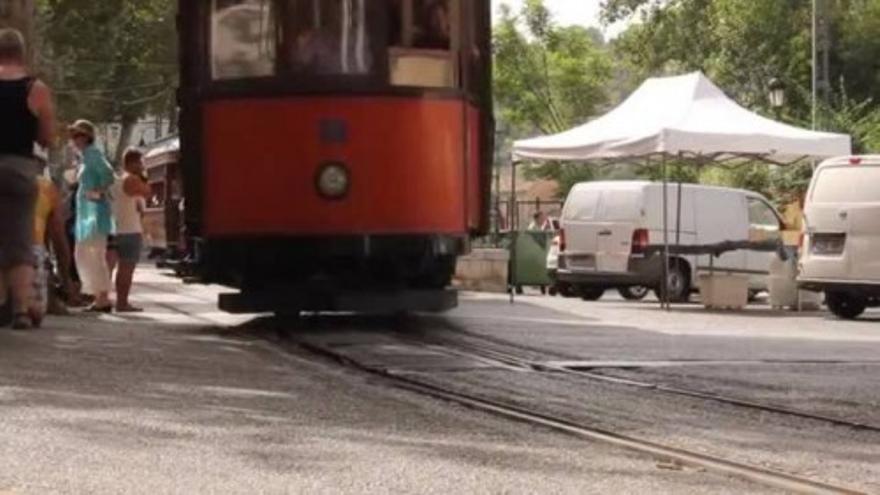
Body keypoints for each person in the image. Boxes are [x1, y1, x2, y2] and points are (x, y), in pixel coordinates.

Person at [0, 28, 56, 329]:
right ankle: (20, 310)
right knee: (19, 240)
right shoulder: (36, 88)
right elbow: (47, 136)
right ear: (23, 53)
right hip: (21, 168)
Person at [69, 119, 115, 313]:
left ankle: (102, 297)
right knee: (87, 254)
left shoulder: (93, 155)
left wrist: (98, 191)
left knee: (92, 254)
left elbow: (108, 174)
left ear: (86, 137)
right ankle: (99, 296)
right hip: (87, 213)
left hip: (94, 213)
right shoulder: (86, 157)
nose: (74, 140)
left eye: (77, 135)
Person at [30, 159, 77, 326]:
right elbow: (59, 238)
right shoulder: (46, 188)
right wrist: (66, 279)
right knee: (35, 315)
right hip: (30, 251)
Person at [109, 148, 150, 312]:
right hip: (130, 231)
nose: (143, 166)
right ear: (132, 163)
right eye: (141, 162)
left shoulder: (116, 181)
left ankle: (106, 299)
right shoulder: (132, 180)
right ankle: (122, 302)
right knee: (126, 269)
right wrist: (144, 177)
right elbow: (147, 191)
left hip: (115, 229)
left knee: (110, 269)